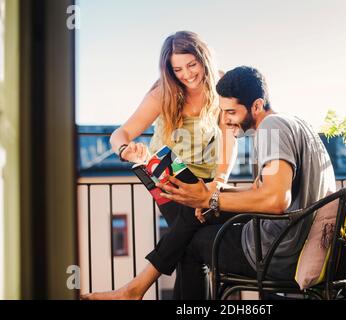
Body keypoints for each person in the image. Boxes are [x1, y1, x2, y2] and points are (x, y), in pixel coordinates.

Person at [81, 31, 237, 300]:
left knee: (191, 249)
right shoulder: (162, 93)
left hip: (206, 181)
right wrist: (125, 149)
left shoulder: (222, 87)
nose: (186, 75)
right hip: (165, 176)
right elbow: (120, 133)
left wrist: (218, 183)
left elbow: (228, 140)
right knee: (191, 236)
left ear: (204, 60)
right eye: (177, 69)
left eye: (192, 65)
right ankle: (133, 290)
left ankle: (134, 290)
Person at [158, 66, 336, 299]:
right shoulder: (297, 125)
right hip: (298, 243)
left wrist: (209, 198)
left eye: (231, 111)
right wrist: (215, 194)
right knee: (201, 221)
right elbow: (267, 191)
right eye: (222, 112)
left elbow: (276, 201)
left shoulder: (272, 128)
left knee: (191, 245)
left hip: (279, 253)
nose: (225, 120)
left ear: (257, 105)